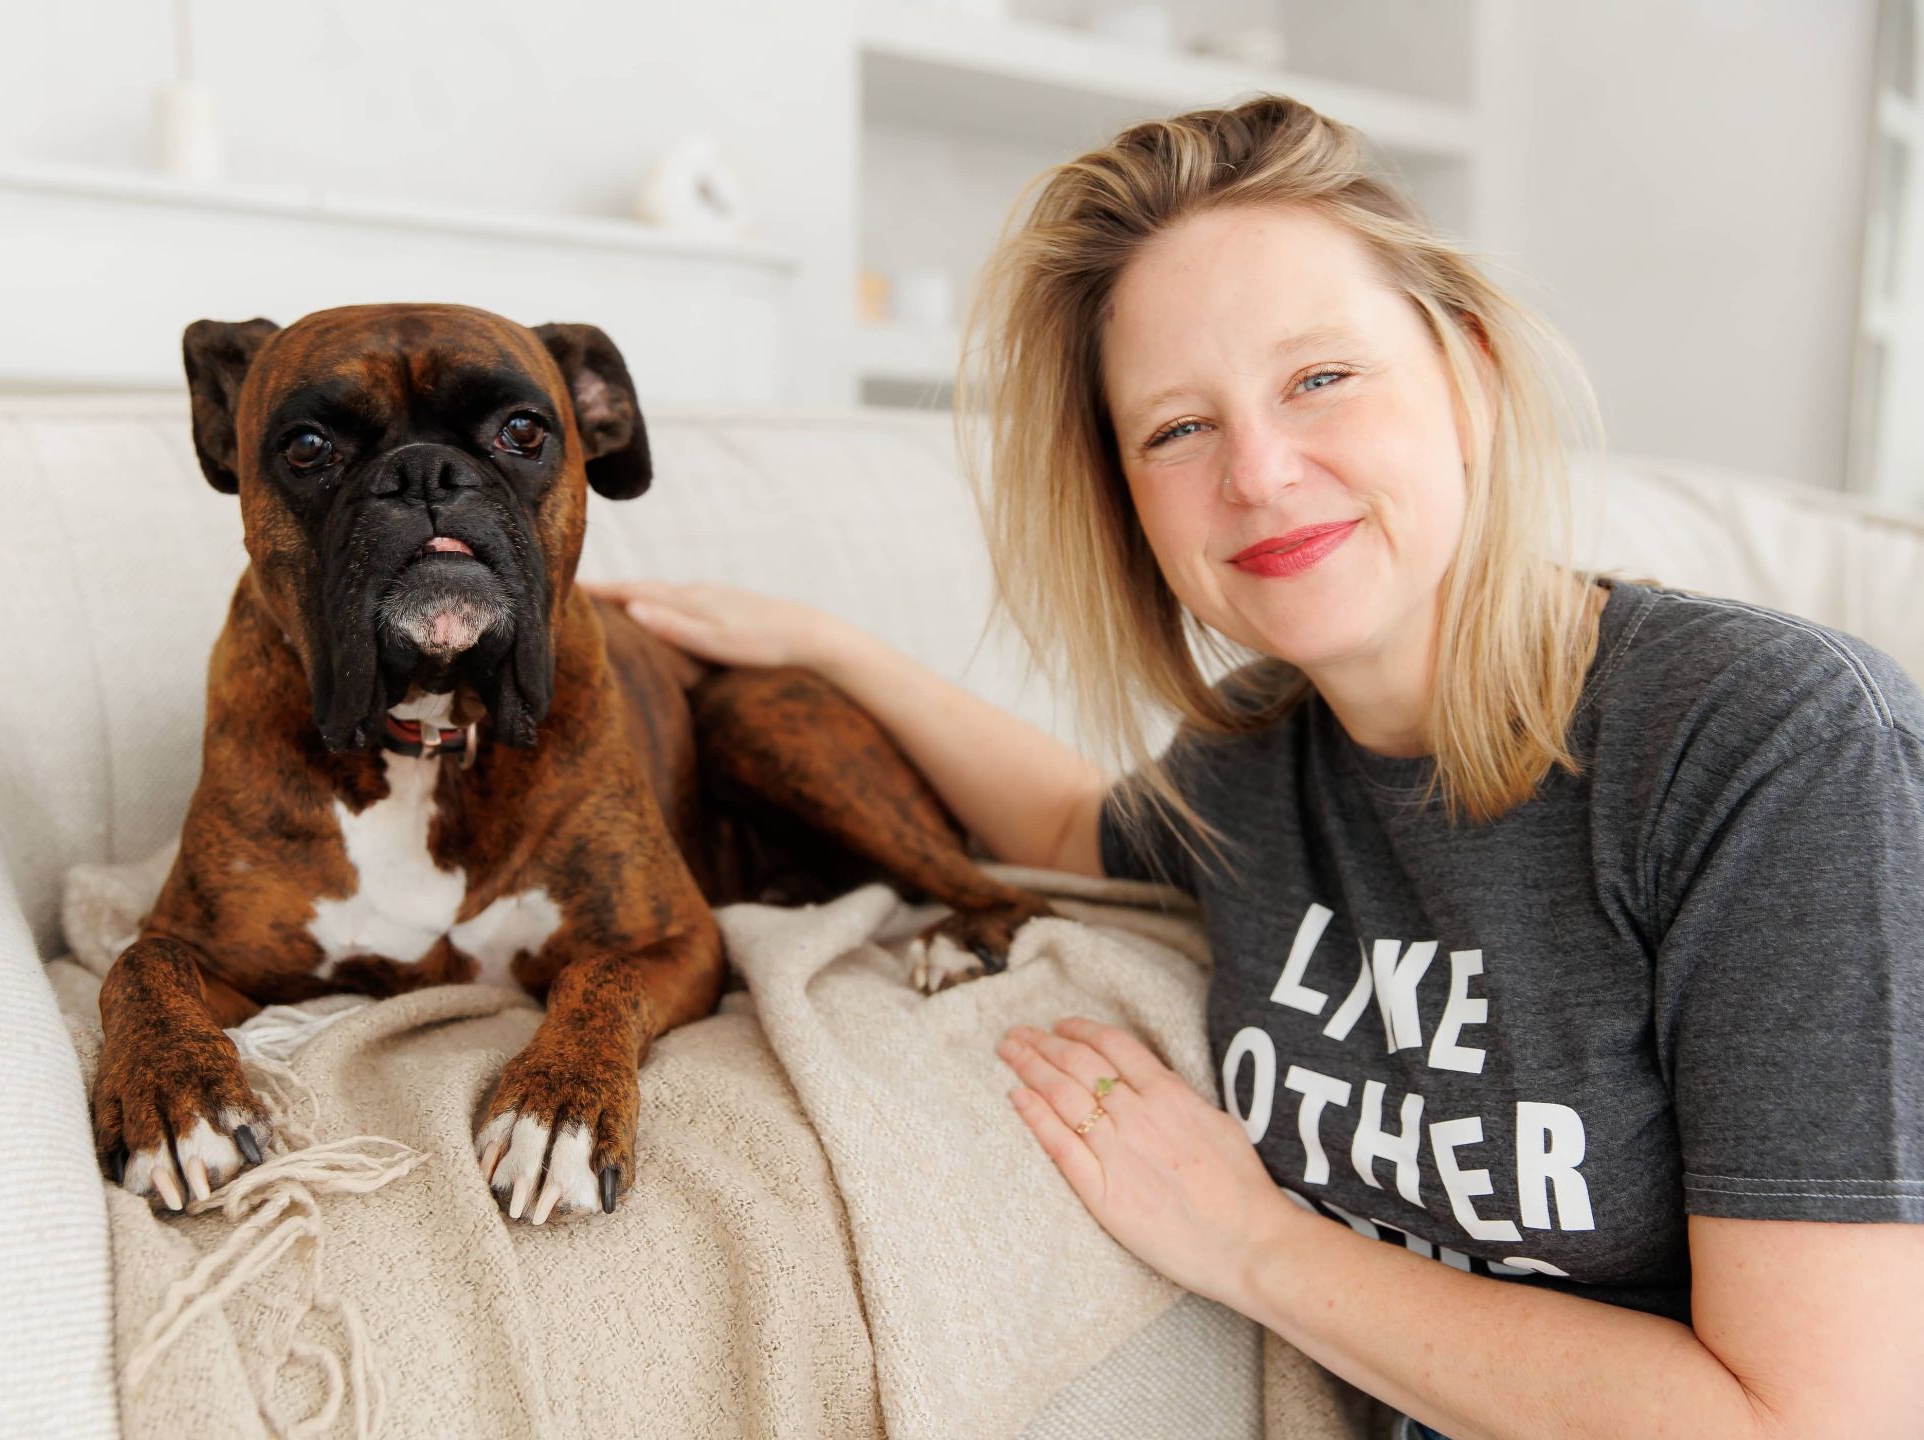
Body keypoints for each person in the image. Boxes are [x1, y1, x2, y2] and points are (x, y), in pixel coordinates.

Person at [587, 97, 1924, 1438]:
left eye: (1319, 378)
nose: (1263, 475)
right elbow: (1070, 822)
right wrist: (826, 648)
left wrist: (1251, 1244)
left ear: (1466, 374)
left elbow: (1816, 1422)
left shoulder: (1770, 745)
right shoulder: (1256, 758)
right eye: (1177, 429)